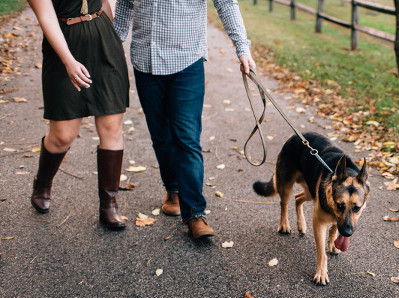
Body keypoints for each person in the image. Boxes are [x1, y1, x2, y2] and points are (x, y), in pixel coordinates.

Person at [113, 0, 256, 240]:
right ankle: (174, 189)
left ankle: (195, 214)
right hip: (145, 59)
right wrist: (112, 45)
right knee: (160, 135)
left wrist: (242, 48)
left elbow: (226, 3)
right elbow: (125, 5)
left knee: (187, 138)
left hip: (186, 59)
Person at [28, 0, 130, 230]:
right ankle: (42, 184)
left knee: (112, 127)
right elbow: (45, 17)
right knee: (63, 135)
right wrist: (68, 61)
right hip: (64, 44)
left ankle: (109, 205)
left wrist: (108, 33)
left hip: (103, 40)